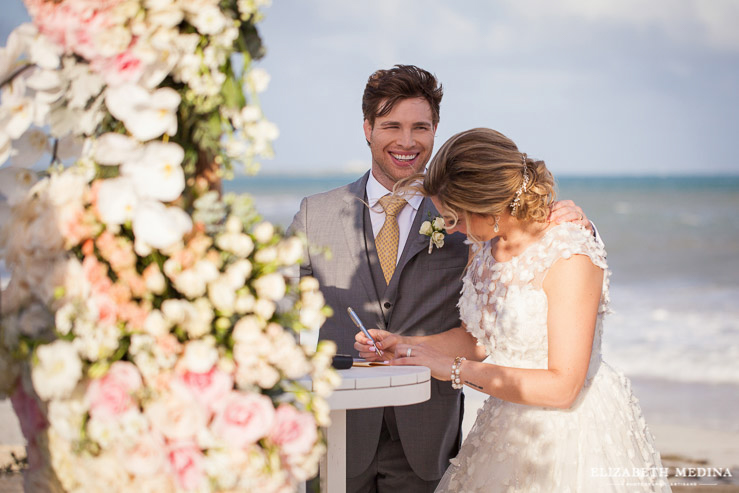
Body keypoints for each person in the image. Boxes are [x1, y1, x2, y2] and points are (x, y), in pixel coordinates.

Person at [289, 66, 591, 492]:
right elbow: (269, 309)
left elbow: (526, 249)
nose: (407, 141)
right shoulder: (314, 214)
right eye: (392, 125)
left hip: (427, 433)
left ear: (435, 130)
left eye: (420, 127)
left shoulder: (470, 215)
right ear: (367, 129)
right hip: (338, 430)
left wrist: (573, 223)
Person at [355, 127, 671, 492]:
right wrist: (406, 345)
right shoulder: (486, 246)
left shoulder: (569, 253)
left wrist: (453, 370)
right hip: (505, 422)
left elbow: (563, 387)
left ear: (488, 207)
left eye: (456, 218)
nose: (452, 231)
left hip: (568, 434)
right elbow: (478, 339)